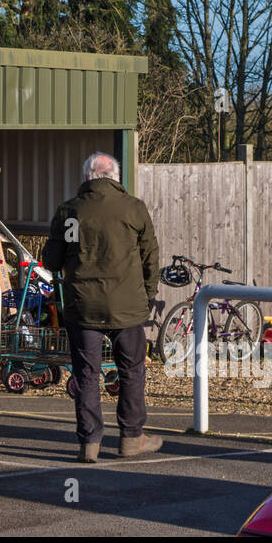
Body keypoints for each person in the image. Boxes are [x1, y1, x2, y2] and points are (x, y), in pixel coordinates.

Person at [42, 152, 162, 463]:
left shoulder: (69, 212)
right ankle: (131, 438)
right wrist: (147, 296)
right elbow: (151, 257)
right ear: (115, 178)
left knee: (86, 374)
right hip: (127, 306)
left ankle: (90, 443)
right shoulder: (133, 208)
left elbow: (51, 261)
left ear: (86, 178)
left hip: (83, 306)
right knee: (132, 370)